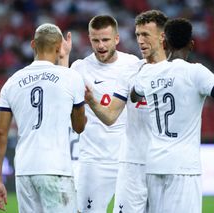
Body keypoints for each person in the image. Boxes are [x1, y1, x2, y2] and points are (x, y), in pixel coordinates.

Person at [131, 18, 214, 213]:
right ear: (191, 45)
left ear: (164, 43)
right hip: (184, 167)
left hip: (154, 164)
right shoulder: (195, 72)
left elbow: (134, 94)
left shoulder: (148, 73)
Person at [0, 23, 87, 212]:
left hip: (25, 171)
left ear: (33, 44)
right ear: (60, 47)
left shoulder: (12, 82)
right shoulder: (71, 77)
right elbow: (79, 127)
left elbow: (0, 133)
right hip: (56, 169)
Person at [84, 10, 168, 213]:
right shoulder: (131, 70)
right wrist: (92, 102)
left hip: (164, 162)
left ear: (162, 36)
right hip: (129, 162)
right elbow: (111, 115)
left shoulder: (180, 71)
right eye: (138, 35)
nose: (140, 40)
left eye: (145, 34)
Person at [69, 15, 139, 212]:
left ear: (116, 39)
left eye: (106, 40)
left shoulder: (133, 64)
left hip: (127, 161)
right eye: (95, 40)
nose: (100, 45)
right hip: (93, 162)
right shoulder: (79, 68)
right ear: (89, 38)